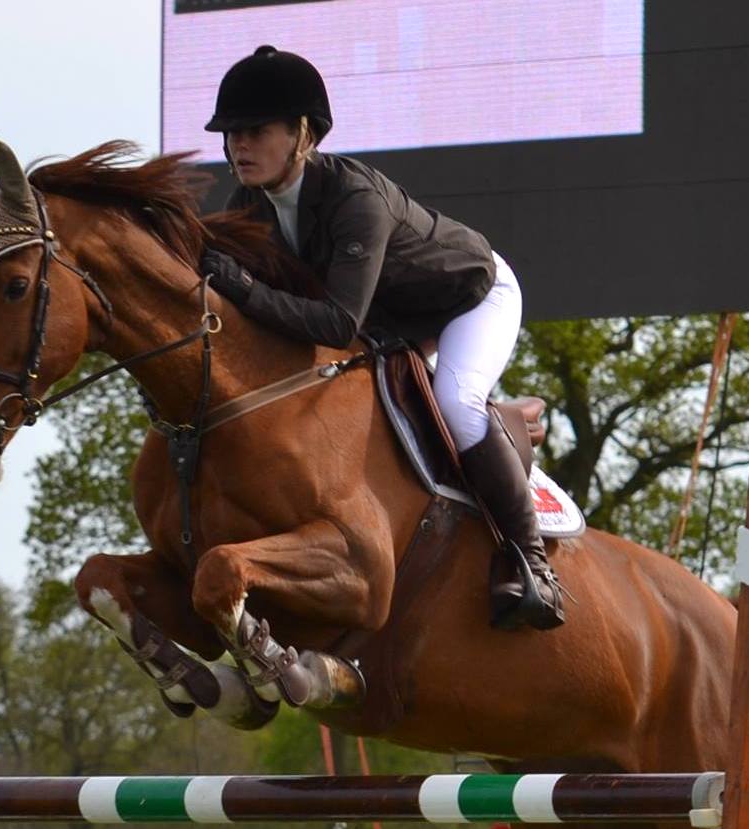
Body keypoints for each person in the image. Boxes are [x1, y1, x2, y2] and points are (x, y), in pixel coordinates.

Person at [198, 45, 565, 630]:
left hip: (470, 297)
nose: (238, 145)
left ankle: (531, 564)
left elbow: (336, 323)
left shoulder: (353, 197)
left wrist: (240, 289)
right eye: (231, 133)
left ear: (302, 133)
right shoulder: (247, 202)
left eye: (255, 131)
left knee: (456, 404)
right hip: (391, 319)